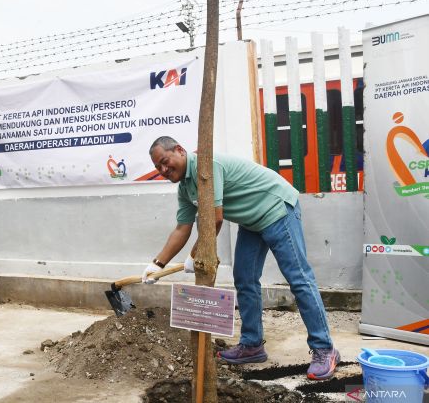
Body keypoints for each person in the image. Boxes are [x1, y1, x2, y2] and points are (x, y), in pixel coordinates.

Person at [142, 136, 340, 381]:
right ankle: (252, 345)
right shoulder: (185, 188)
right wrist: (157, 264)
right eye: (157, 168)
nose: (163, 170)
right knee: (244, 279)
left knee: (298, 279)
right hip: (253, 221)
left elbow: (214, 219)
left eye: (164, 161)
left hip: (276, 208)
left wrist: (194, 255)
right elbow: (182, 228)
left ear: (180, 151)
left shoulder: (206, 165)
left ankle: (325, 349)